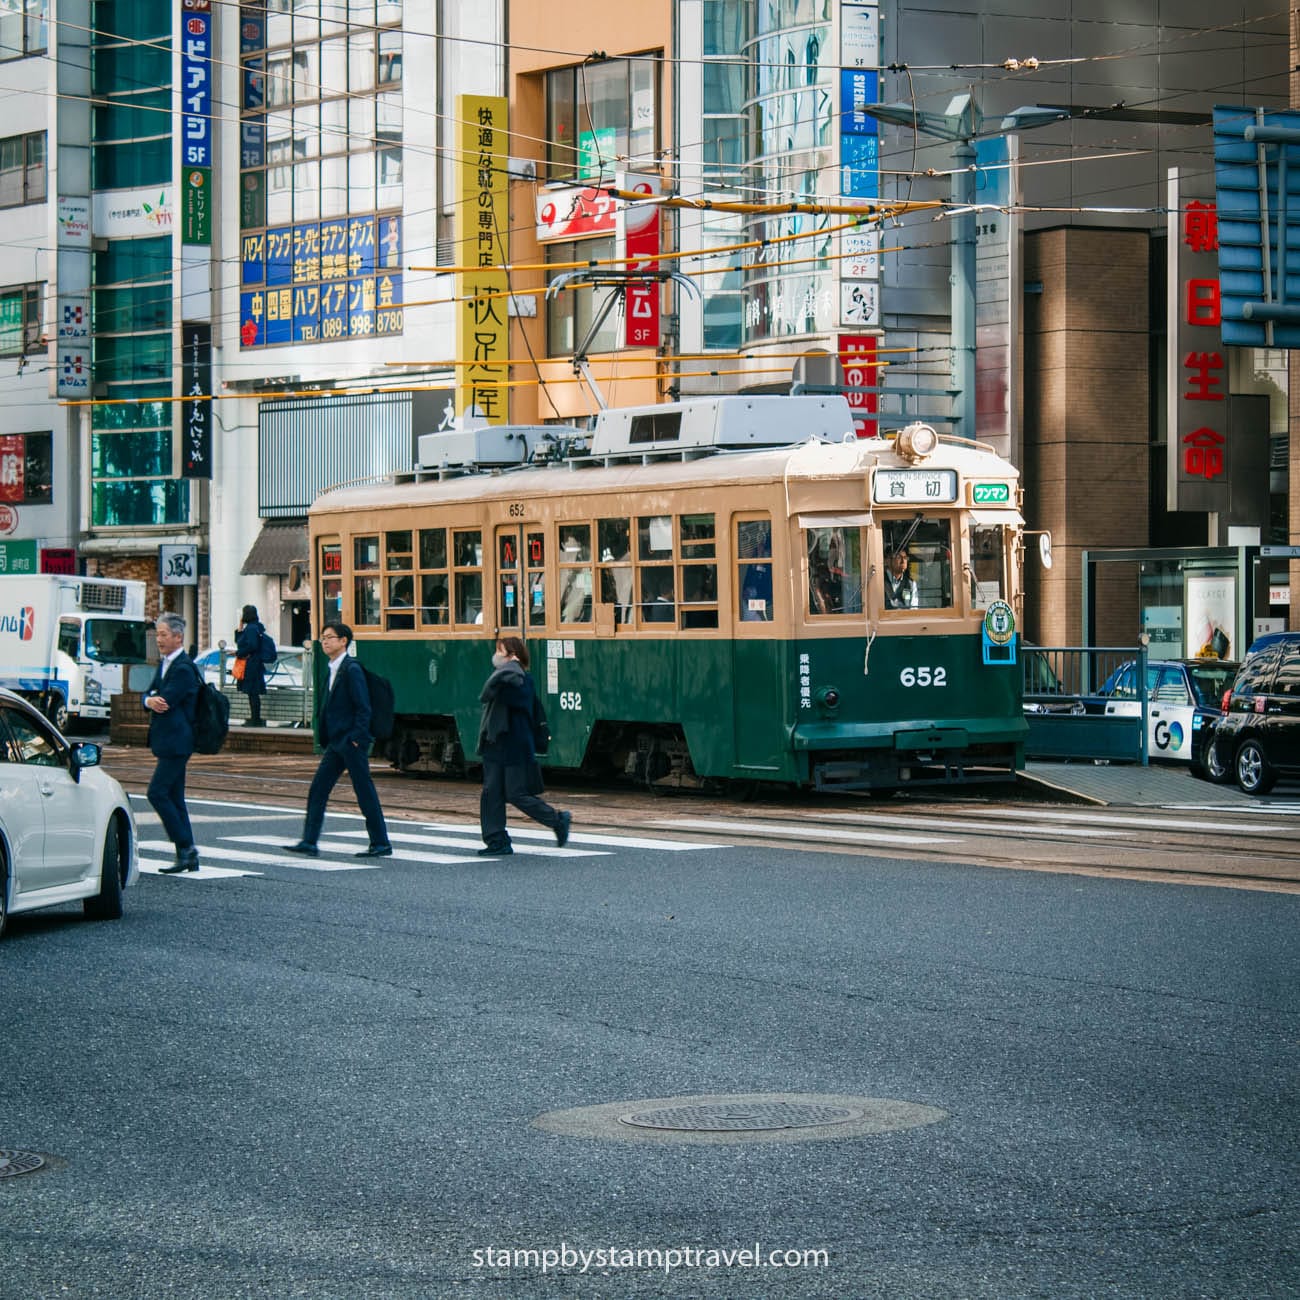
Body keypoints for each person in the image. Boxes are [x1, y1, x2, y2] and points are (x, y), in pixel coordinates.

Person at [287, 621, 392, 858]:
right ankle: (310, 841)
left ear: (343, 641)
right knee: (318, 790)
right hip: (337, 743)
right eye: (323, 637)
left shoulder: (351, 669)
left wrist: (356, 738)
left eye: (329, 637)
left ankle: (381, 842)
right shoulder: (333, 668)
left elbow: (363, 707)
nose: (324, 641)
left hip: (350, 742)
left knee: (364, 791)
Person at [477, 635, 570, 857]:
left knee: (517, 793)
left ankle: (558, 819)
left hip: (514, 746)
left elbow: (507, 698)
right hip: (495, 743)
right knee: (491, 794)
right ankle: (497, 840)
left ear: (512, 655)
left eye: (501, 652)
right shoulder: (505, 676)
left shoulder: (519, 679)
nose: (496, 657)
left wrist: (507, 671)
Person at [144, 611, 201, 874]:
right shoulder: (166, 663)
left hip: (178, 741)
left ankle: (186, 847)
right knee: (175, 797)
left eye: (164, 634)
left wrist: (154, 699)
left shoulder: (183, 668)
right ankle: (186, 854)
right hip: (168, 739)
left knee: (157, 792)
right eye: (158, 634)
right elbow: (149, 694)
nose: (159, 639)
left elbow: (164, 700)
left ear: (178, 637)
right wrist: (148, 700)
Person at [235, 603, 269, 727]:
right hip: (256, 664)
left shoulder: (250, 629)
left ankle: (255, 719)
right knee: (253, 693)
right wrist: (240, 628)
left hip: (251, 664)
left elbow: (249, 645)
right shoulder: (256, 627)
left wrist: (239, 653)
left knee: (252, 693)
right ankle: (255, 718)